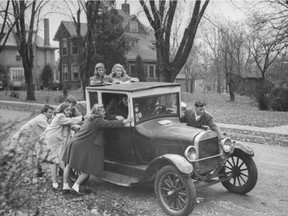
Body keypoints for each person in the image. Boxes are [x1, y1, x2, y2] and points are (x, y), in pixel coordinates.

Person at [62, 104, 133, 195]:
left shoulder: (90, 118)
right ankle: (76, 186)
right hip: (81, 144)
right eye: (103, 111)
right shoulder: (97, 120)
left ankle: (65, 186)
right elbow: (109, 124)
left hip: (74, 142)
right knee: (89, 168)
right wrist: (125, 121)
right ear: (98, 113)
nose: (105, 113)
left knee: (69, 165)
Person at [40, 103, 84, 191]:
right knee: (55, 161)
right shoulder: (60, 116)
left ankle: (63, 181)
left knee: (59, 160)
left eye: (70, 110)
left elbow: (71, 125)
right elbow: (70, 121)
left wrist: (80, 128)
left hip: (58, 140)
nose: (69, 112)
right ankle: (54, 182)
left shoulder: (64, 118)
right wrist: (82, 118)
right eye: (67, 110)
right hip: (52, 139)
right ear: (62, 110)